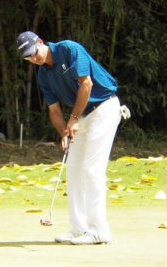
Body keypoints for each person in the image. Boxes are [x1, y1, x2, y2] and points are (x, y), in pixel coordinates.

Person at [16, 31, 130, 245]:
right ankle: (79, 229)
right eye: (28, 58)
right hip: (83, 116)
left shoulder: (69, 49)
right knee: (73, 168)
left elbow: (85, 84)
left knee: (91, 169)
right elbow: (53, 110)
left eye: (34, 53)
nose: (34, 59)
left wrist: (74, 118)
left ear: (40, 42)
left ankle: (99, 231)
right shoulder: (43, 75)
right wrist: (64, 132)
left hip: (104, 107)